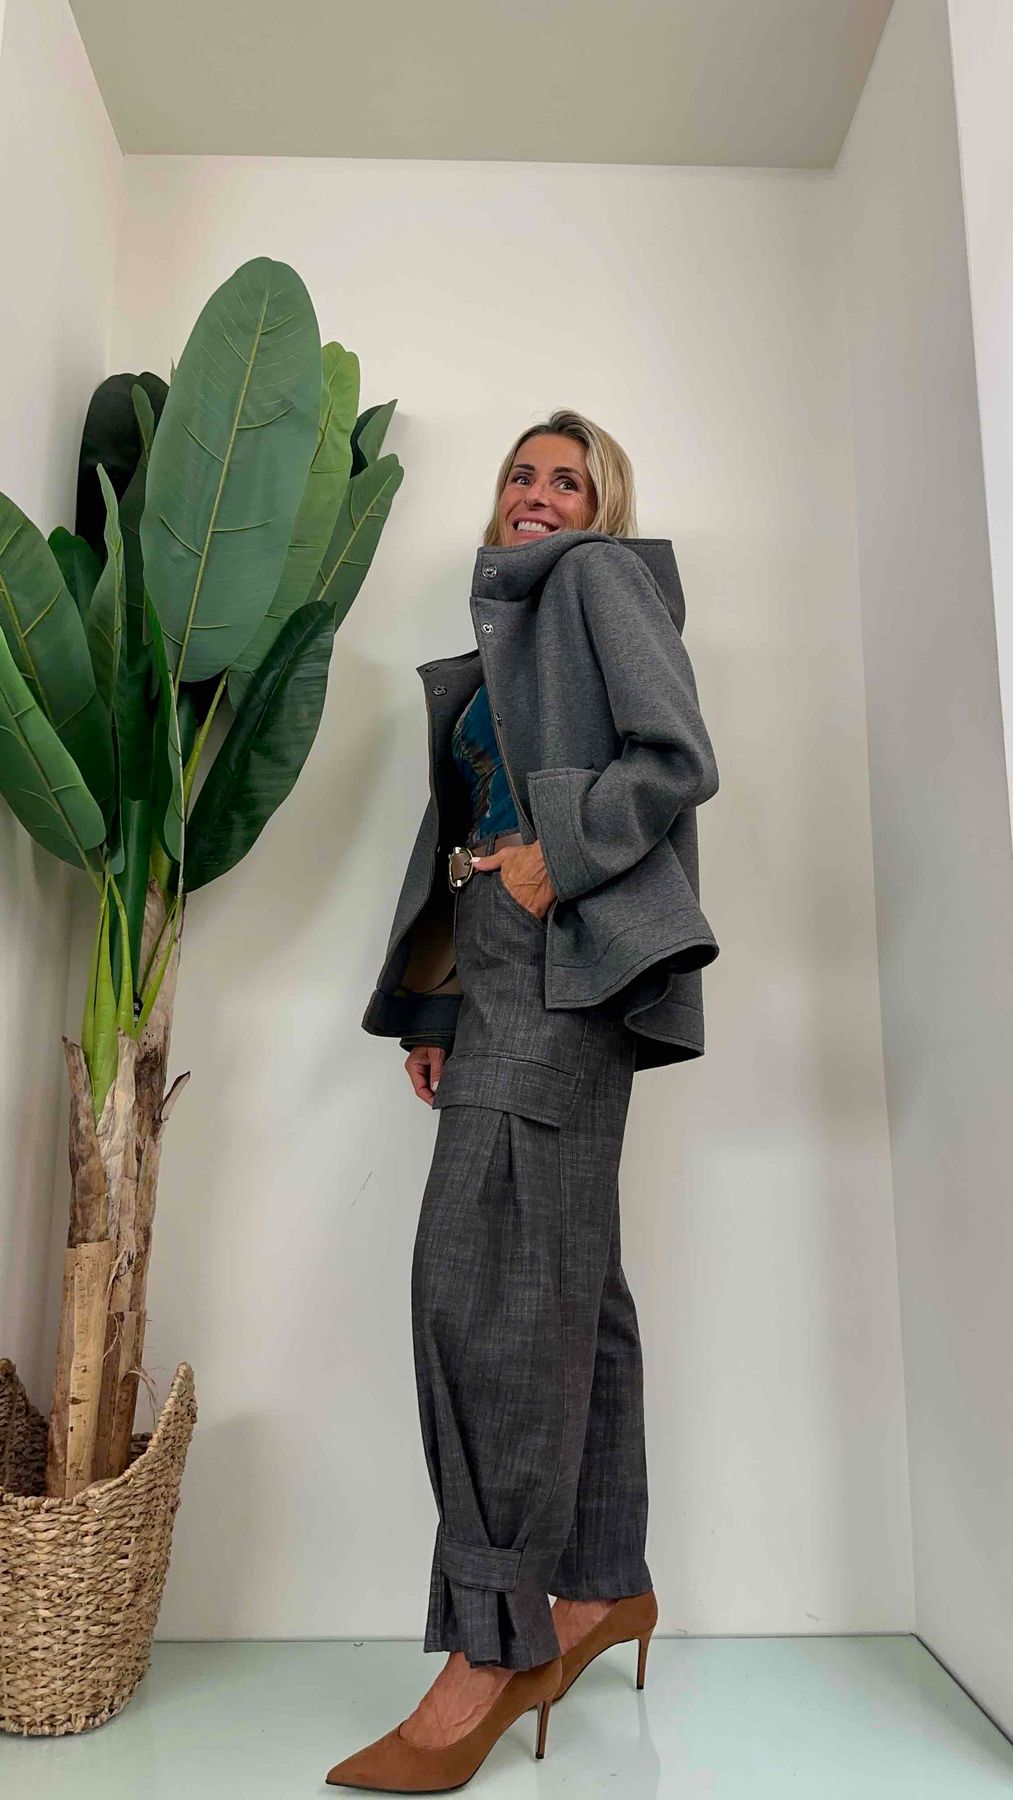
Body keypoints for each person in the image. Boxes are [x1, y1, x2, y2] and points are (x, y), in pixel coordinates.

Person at [327, 410, 720, 1792]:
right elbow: (463, 832)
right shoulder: (509, 631)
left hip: (559, 965)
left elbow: (674, 757)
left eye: (569, 478)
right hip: (501, 972)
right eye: (521, 474)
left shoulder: (597, 581)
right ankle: (600, 1580)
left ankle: (492, 1644)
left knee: (481, 1288)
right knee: (565, 1286)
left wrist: (559, 855)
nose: (539, 493)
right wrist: (440, 1004)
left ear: (602, 506)